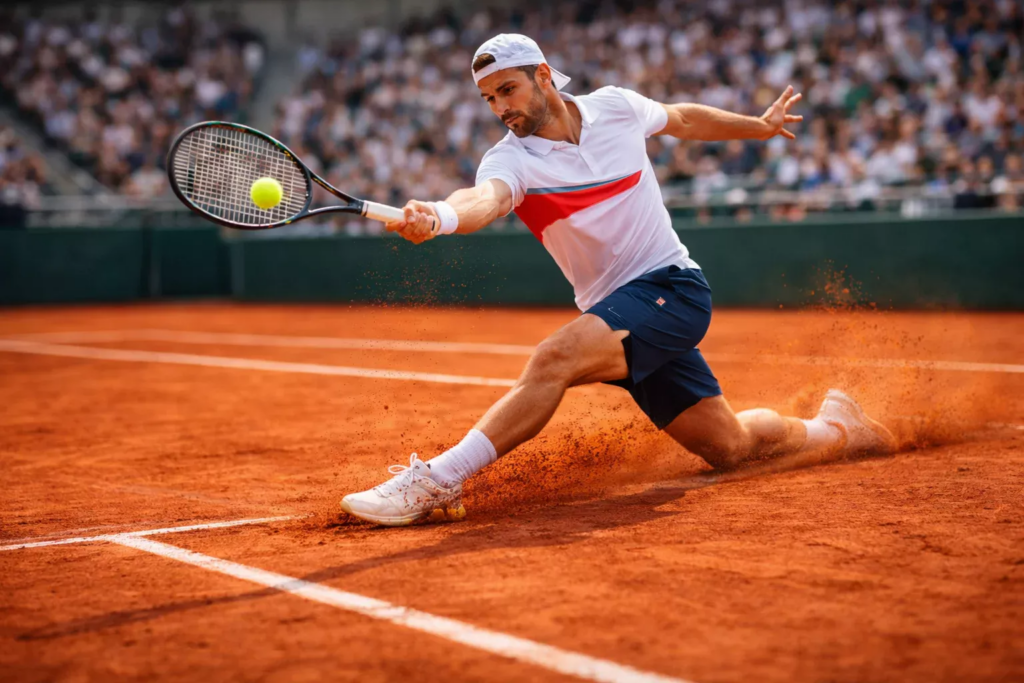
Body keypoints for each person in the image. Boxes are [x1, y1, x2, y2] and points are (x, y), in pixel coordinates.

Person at [340, 34, 897, 526]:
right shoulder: (509, 161)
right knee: (732, 446)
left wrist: (759, 126)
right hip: (619, 312)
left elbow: (680, 118)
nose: (499, 108)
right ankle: (839, 428)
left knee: (554, 358)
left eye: (507, 90)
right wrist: (440, 215)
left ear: (541, 75)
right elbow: (483, 201)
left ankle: (439, 478)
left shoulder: (615, 108)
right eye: (488, 99)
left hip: (672, 287)